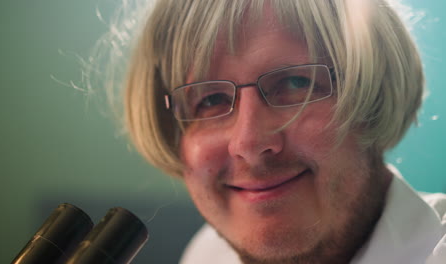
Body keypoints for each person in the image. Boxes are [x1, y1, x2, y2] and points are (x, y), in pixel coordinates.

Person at [108, 0, 446, 263]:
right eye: (210, 100)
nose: (249, 143)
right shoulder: (208, 254)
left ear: (374, 96)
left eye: (295, 83)